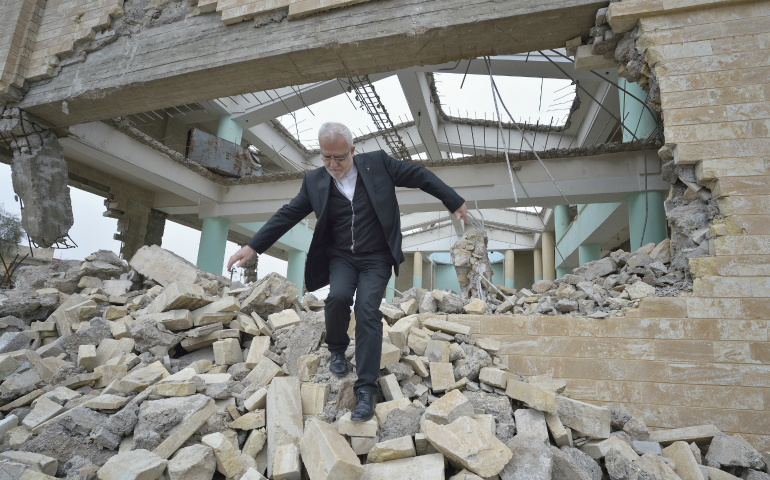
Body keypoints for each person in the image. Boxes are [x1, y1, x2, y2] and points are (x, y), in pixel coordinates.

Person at [227, 122, 468, 421]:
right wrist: (253, 246)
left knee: (368, 311)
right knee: (338, 298)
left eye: (339, 157)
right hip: (341, 256)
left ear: (353, 151)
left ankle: (365, 389)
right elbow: (288, 213)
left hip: (377, 257)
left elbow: (418, 175)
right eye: (326, 158)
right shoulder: (314, 181)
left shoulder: (378, 163)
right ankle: (338, 349)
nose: (333, 164)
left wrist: (452, 199)